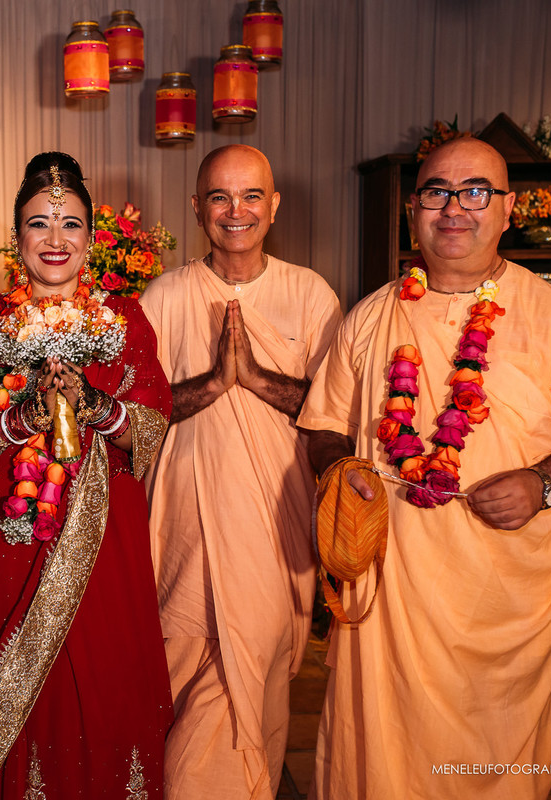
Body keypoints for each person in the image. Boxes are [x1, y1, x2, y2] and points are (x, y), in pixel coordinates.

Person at [298, 137, 551, 799]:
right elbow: (321, 428)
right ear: (412, 209)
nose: (455, 208)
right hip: (392, 588)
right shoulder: (369, 316)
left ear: (507, 210)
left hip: (506, 595)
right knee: (379, 760)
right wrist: (345, 471)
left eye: (475, 191)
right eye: (436, 192)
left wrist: (542, 484)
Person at [0, 152, 173, 799]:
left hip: (104, 553)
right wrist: (21, 420)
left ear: (92, 239)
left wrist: (99, 408)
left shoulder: (125, 322)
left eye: (70, 224)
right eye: (39, 223)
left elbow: (151, 431)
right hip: (11, 541)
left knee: (106, 690)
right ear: (17, 236)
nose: (54, 239)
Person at [140, 144, 343, 798]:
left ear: (274, 205)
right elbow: (137, 414)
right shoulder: (165, 296)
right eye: (221, 197)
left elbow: (337, 413)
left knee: (256, 689)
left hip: (273, 533)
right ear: (198, 207)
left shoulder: (310, 294)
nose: (237, 211)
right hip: (185, 534)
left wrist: (254, 379)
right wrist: (210, 383)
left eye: (251, 195)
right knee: (187, 702)